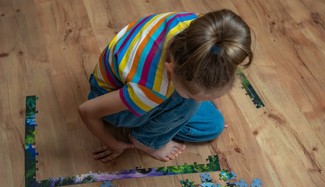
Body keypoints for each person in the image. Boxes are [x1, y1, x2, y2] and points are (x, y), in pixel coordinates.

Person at [78, 9, 253, 162]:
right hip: (110, 97)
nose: (207, 100)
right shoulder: (150, 90)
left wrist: (212, 100)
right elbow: (87, 110)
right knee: (212, 126)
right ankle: (147, 142)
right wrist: (114, 144)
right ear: (170, 70)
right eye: (193, 95)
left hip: (128, 72)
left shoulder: (201, 30)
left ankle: (192, 97)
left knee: (213, 118)